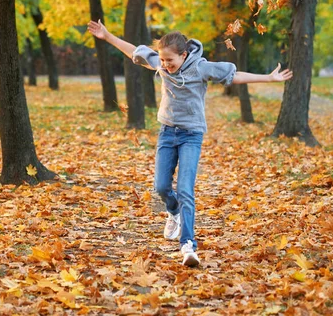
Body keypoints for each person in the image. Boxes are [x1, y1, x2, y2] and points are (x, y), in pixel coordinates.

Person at [87, 20, 292, 267]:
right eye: (162, 61)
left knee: (185, 188)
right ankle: (172, 212)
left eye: (170, 61)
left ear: (184, 55)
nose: (165, 65)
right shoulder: (161, 64)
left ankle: (188, 246)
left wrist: (269, 78)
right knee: (162, 187)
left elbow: (233, 75)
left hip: (191, 135)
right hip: (167, 133)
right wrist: (107, 36)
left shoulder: (201, 68)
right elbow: (133, 51)